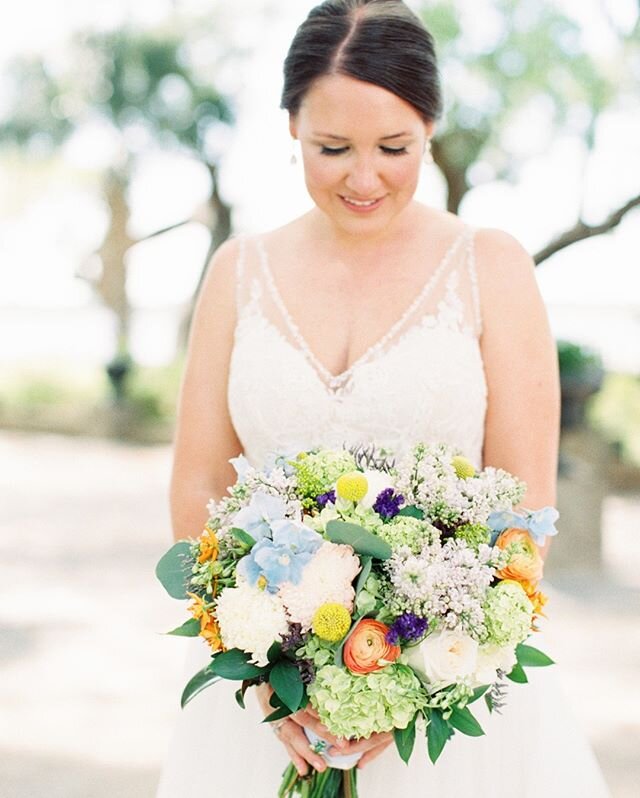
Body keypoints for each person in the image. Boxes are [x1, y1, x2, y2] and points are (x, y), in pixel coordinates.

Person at [156, 1, 611, 795]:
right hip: (263, 702)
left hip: (448, 692)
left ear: (430, 128)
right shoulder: (237, 273)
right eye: (332, 147)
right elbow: (198, 485)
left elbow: (524, 505)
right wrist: (269, 667)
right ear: (291, 124)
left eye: (394, 148)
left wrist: (407, 677)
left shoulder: (491, 268)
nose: (363, 178)